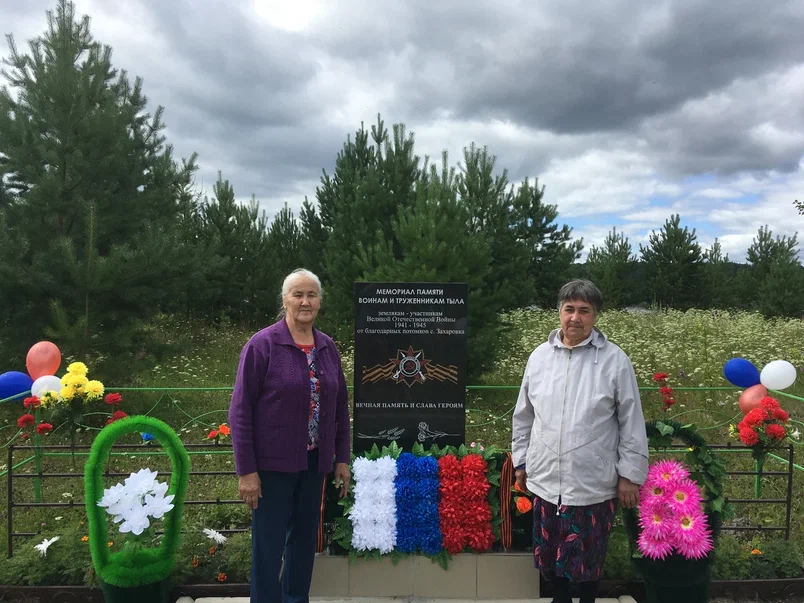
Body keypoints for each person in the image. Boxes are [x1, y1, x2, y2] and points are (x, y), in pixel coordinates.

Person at [512, 279, 648, 603]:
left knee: (587, 566)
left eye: (584, 311)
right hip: (545, 480)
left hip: (591, 484)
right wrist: (521, 461)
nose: (575, 318)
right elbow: (524, 414)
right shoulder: (540, 357)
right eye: (569, 309)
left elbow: (631, 420)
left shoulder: (615, 361)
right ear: (558, 312)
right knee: (550, 565)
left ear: (595, 316)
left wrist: (630, 474)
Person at [229, 268, 351, 603]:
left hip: (314, 464)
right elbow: (240, 412)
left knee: (303, 542)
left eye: (311, 295)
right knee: (268, 546)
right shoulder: (262, 345)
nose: (305, 301)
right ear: (284, 300)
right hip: (271, 467)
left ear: (320, 302)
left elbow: (340, 408)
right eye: (297, 294)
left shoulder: (327, 348)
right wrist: (247, 471)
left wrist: (341, 458)